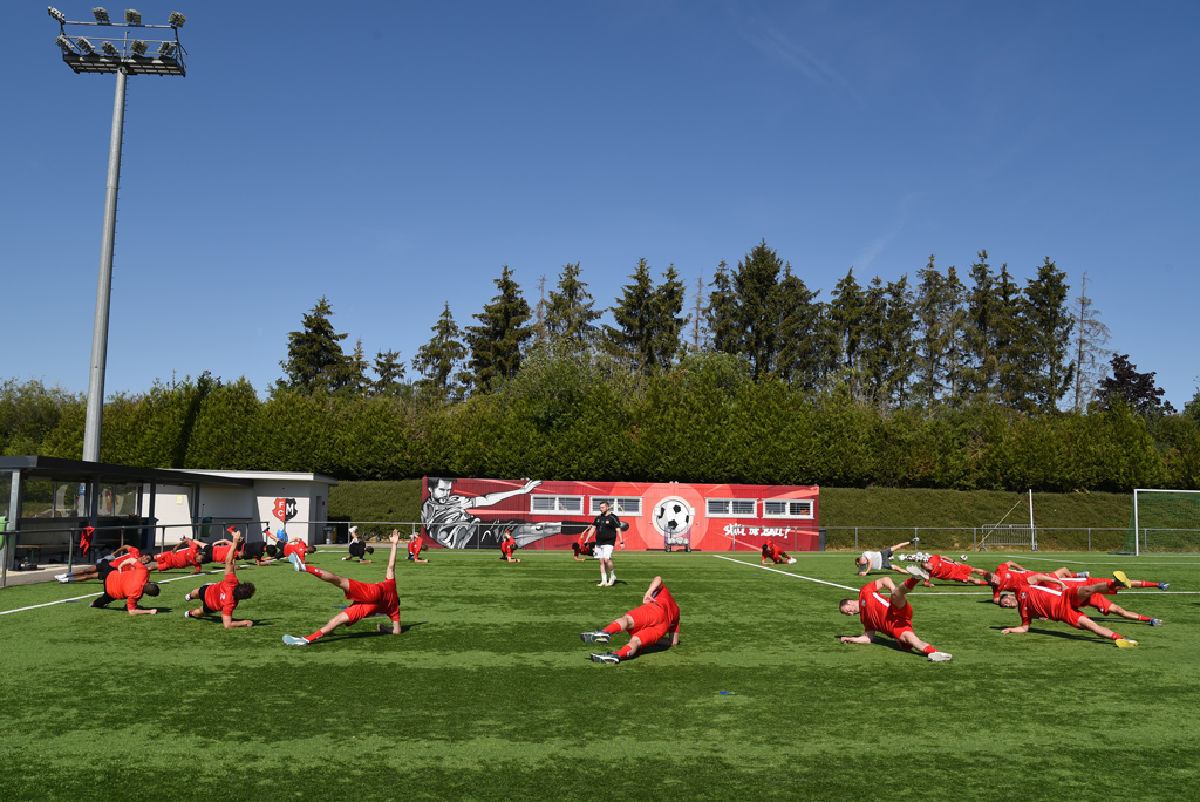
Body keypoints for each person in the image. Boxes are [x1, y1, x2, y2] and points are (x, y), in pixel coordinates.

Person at [282, 531, 403, 645]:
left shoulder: (391, 586)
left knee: (338, 580)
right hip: (368, 607)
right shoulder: (394, 610)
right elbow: (397, 631)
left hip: (372, 592)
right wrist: (384, 628)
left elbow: (391, 566)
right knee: (335, 621)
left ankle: (304, 567)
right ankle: (306, 640)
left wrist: (394, 544)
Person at [838, 565, 952, 661]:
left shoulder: (864, 592)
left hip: (896, 608)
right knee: (912, 641)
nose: (851, 614)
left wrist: (893, 590)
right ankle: (936, 653)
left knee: (896, 594)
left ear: (849, 602)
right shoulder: (864, 620)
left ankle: (916, 578)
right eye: (848, 615)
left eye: (847, 611)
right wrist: (851, 639)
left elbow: (885, 580)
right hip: (895, 628)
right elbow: (868, 638)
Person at [1000, 572, 1140, 647]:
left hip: (1064, 596)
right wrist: (1011, 629)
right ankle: (1121, 639)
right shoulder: (1023, 612)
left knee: (1087, 589)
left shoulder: (1021, 588)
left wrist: (1059, 582)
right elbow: (1025, 629)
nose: (1007, 604)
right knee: (1092, 627)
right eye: (1005, 606)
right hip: (1063, 614)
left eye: (1006, 601)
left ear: (1010, 595)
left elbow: (1037, 577)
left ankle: (1115, 583)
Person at [580, 575, 680, 664]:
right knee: (635, 641)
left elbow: (658, 578)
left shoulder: (660, 591)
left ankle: (606, 632)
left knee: (628, 620)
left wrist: (649, 592)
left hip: (656, 609)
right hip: (662, 627)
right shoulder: (676, 610)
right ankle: (617, 656)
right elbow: (673, 642)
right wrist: (655, 640)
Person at [421, 477, 542, 549]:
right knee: (526, 530)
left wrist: (521, 491)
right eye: (442, 490)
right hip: (470, 540)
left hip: (481, 528)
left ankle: (561, 527)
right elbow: (438, 533)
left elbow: (486, 500)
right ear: (430, 489)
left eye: (448, 490)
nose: (446, 494)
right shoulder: (428, 509)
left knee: (525, 527)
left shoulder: (455, 500)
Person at [183, 530, 256, 628]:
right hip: (210, 605)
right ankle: (189, 613)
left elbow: (228, 561)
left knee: (196, 592)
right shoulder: (231, 603)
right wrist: (245, 622)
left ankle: (190, 598)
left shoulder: (232, 582)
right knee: (199, 612)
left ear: (240, 585)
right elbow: (227, 624)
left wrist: (234, 543)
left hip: (208, 590)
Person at [90, 551, 161, 615]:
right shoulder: (135, 595)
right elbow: (132, 611)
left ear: (151, 583)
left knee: (105, 566)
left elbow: (131, 560)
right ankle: (94, 603)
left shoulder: (144, 572)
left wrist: (121, 566)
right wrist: (149, 611)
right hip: (111, 592)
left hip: (111, 575)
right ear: (147, 594)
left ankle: (104, 560)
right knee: (105, 600)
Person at [581, 501, 625, 586]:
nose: (601, 509)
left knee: (606, 559)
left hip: (609, 542)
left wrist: (621, 542)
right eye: (600, 508)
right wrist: (587, 539)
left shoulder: (613, 517)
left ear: (607, 507)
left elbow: (618, 530)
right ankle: (603, 581)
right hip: (599, 543)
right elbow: (593, 529)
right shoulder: (597, 518)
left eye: (603, 507)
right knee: (601, 561)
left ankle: (612, 576)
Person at [56, 544, 146, 583]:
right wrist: (116, 552)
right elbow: (126, 546)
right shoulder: (136, 552)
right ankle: (66, 575)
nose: (145, 561)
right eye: (146, 558)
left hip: (112, 572)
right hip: (108, 563)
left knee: (90, 576)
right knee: (87, 570)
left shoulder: (139, 567)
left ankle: (67, 580)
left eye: (147, 562)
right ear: (144, 555)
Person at [919, 554, 989, 587]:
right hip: (955, 575)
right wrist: (929, 585)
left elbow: (943, 557)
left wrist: (953, 561)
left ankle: (989, 574)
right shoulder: (929, 573)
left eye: (927, 566)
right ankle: (988, 583)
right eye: (926, 568)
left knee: (974, 570)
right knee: (971, 579)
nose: (928, 568)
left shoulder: (933, 558)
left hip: (956, 566)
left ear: (927, 563)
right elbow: (925, 583)